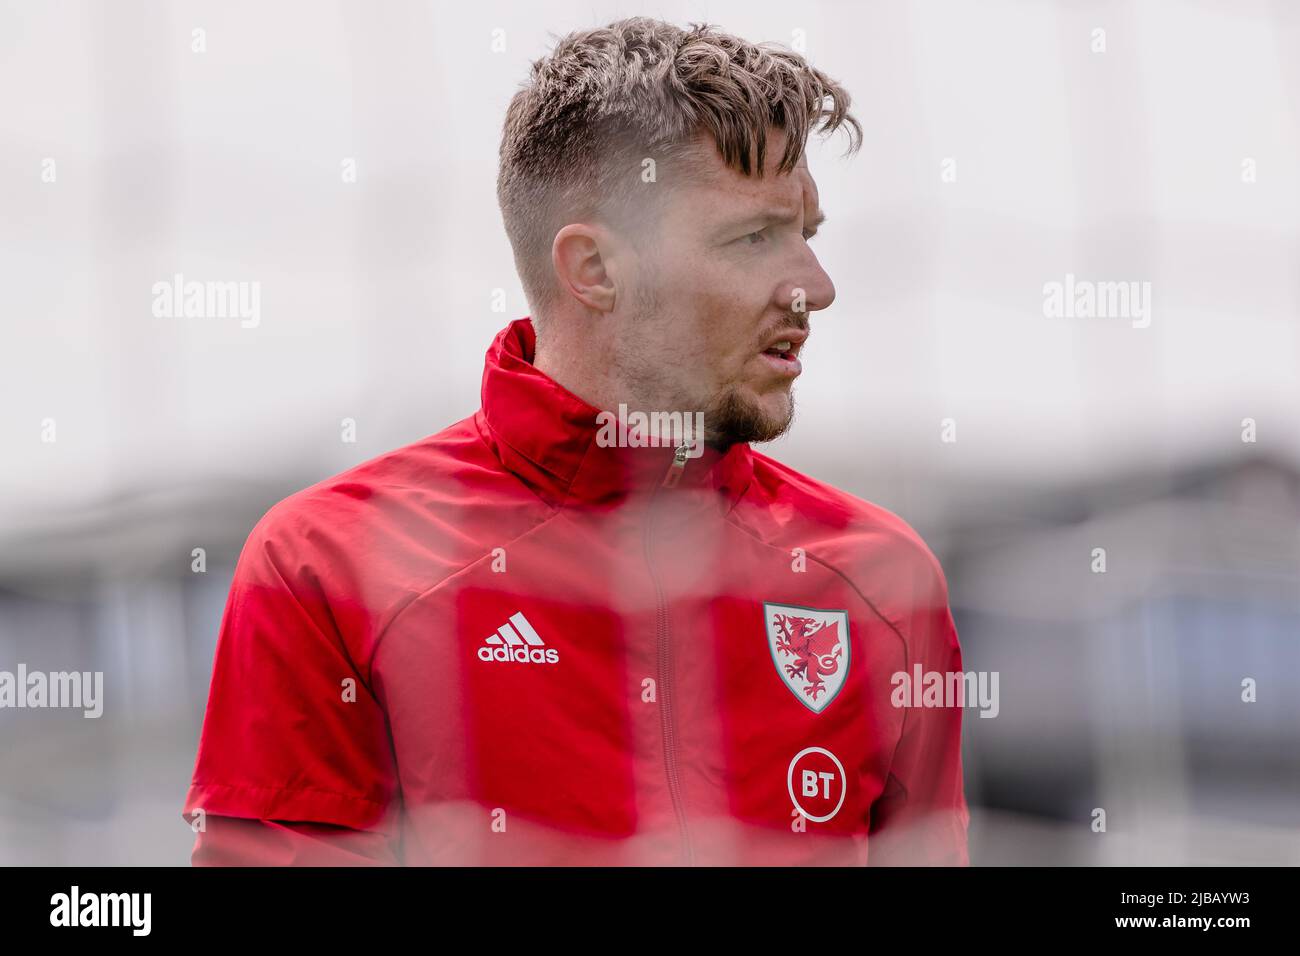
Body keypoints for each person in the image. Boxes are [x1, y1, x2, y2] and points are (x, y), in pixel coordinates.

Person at [183, 15, 970, 865]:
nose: (815, 288)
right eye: (753, 239)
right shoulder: (329, 565)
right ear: (593, 269)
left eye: (805, 236)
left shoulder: (881, 581)